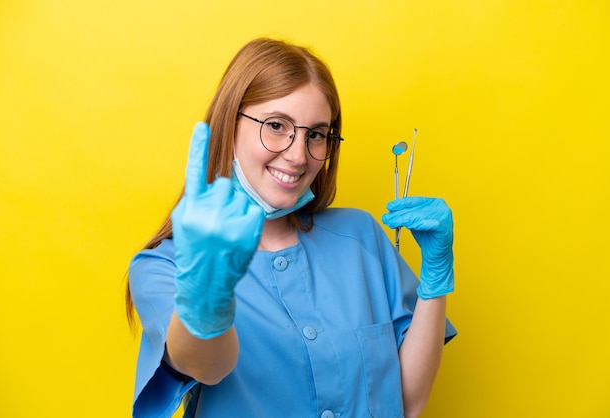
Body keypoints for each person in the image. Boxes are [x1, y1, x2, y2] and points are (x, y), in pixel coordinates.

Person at [126, 37, 457, 418]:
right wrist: (207, 295)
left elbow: (408, 403)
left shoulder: (360, 237)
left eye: (316, 134)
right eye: (277, 125)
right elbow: (206, 365)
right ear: (229, 122)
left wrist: (435, 283)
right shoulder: (162, 267)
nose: (299, 155)